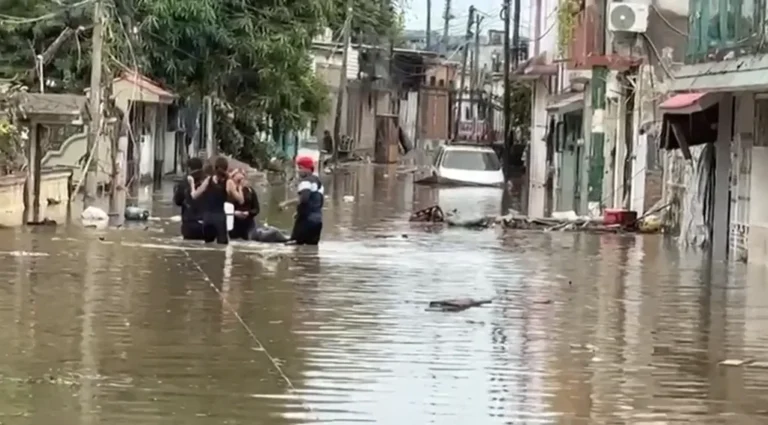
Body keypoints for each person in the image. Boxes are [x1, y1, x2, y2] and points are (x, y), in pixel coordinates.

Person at [190, 156, 244, 244]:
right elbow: (241, 200)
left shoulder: (208, 180)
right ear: (226, 168)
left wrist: (192, 184)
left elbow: (194, 196)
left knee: (208, 247)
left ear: (215, 168)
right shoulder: (228, 182)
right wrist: (240, 187)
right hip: (220, 220)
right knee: (222, 250)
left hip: (207, 220)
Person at [289, 155, 323, 245]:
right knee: (311, 249)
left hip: (305, 221)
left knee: (295, 246)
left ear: (308, 169)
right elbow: (320, 202)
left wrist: (298, 212)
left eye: (300, 168)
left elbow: (304, 199)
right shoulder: (319, 182)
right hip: (318, 221)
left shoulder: (305, 182)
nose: (298, 171)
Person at [173, 157, 205, 240]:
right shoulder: (208, 180)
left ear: (189, 168)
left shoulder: (184, 183)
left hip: (190, 223)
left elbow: (178, 201)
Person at [229, 169, 260, 240]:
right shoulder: (229, 191)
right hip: (234, 223)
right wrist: (234, 213)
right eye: (238, 180)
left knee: (251, 240)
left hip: (248, 223)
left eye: (242, 179)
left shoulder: (250, 191)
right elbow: (222, 208)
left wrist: (248, 213)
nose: (240, 182)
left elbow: (257, 209)